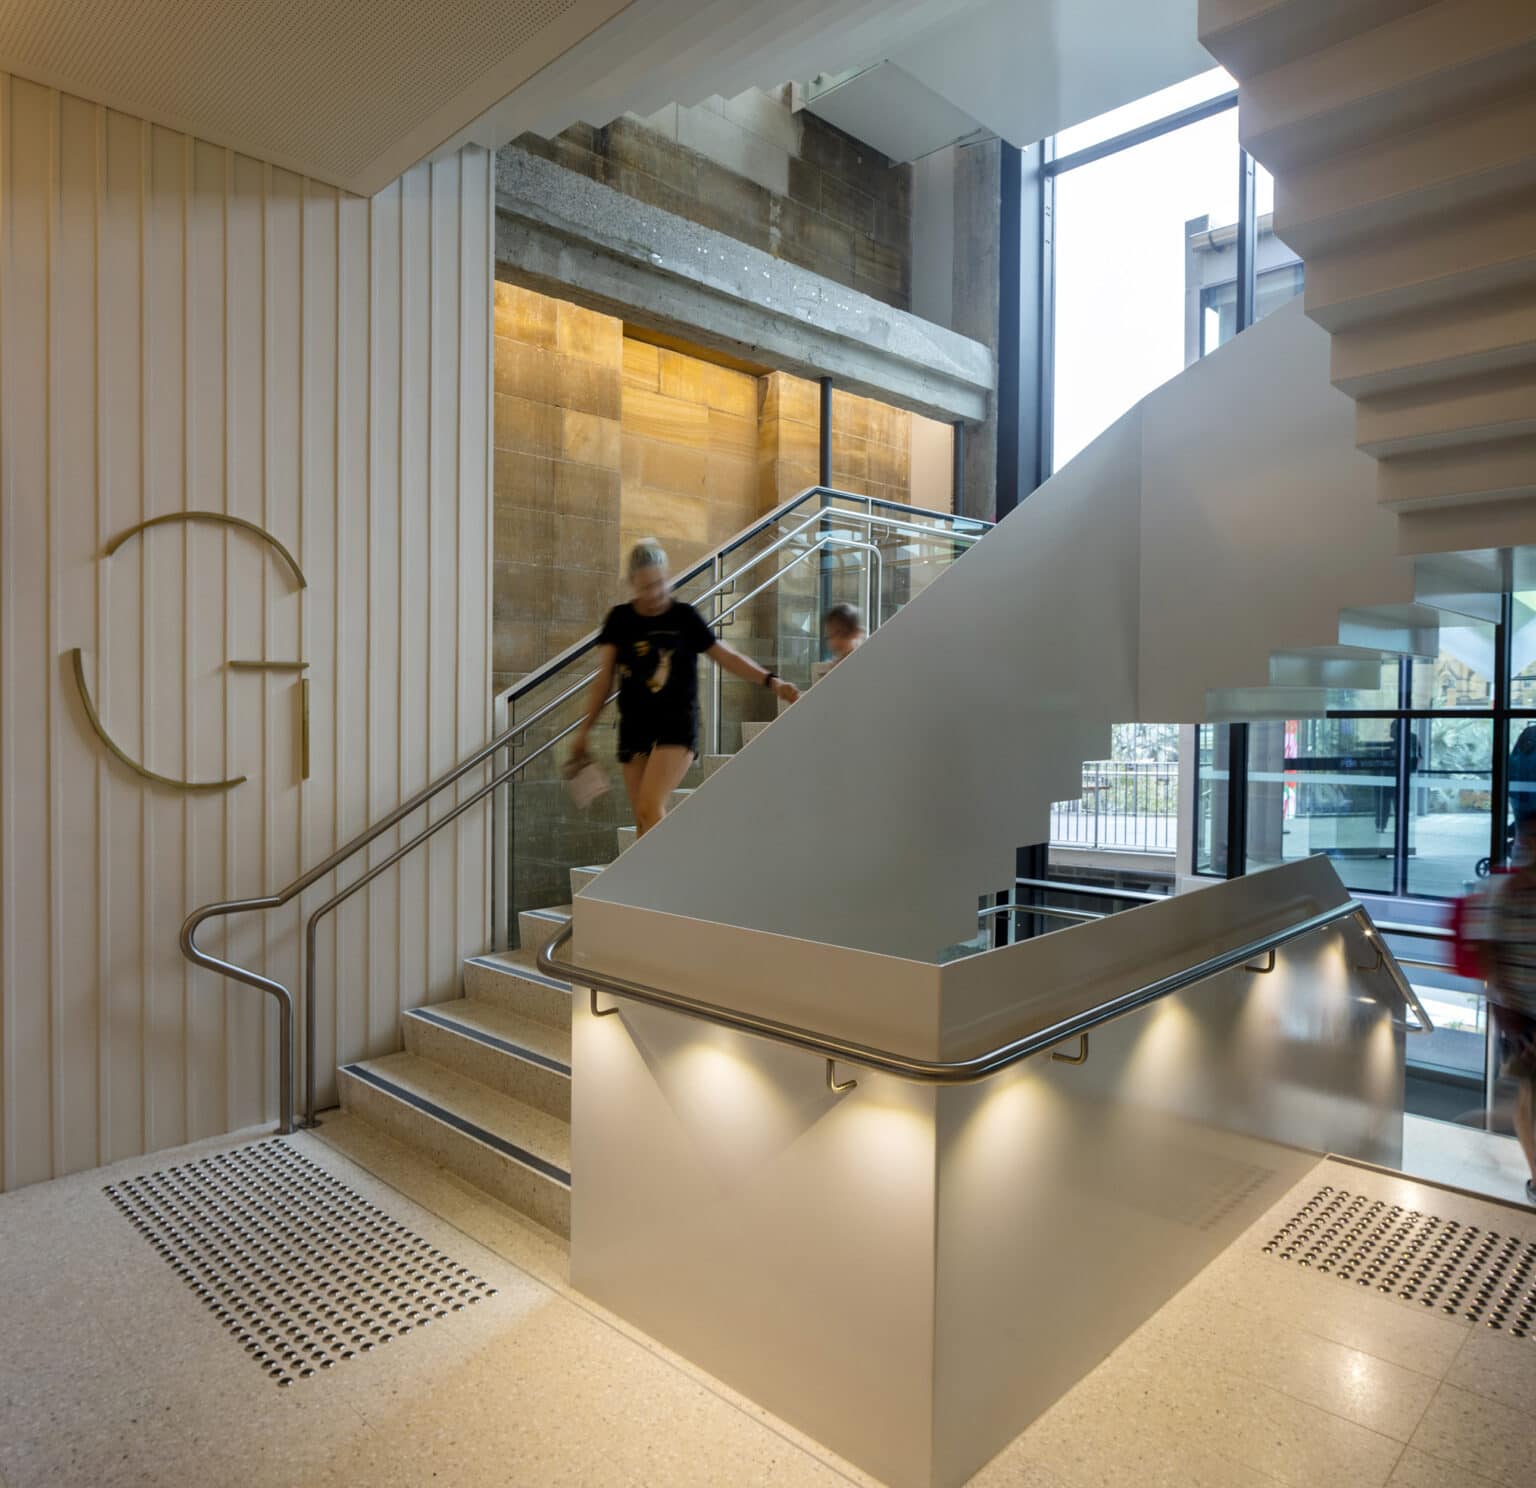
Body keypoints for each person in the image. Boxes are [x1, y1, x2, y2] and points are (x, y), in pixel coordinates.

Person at [568, 541, 800, 837]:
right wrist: (584, 730)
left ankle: (676, 866)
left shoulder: (684, 617)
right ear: (632, 584)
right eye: (646, 587)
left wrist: (771, 681)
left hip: (676, 725)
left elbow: (726, 656)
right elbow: (604, 681)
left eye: (659, 584)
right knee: (642, 819)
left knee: (650, 808)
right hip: (635, 726)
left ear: (668, 577)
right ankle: (653, 869)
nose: (654, 594)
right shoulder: (620, 619)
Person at [1465, 805, 1536, 1205]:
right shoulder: (1501, 892)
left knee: (1529, 1096)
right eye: (1528, 839)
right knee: (1531, 1097)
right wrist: (1509, 1016)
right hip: (1521, 1016)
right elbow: (1487, 954)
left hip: (1520, 1014)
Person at [823, 603, 866, 667]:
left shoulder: (863, 663)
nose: (836, 641)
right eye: (830, 636)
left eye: (840, 633)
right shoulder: (834, 666)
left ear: (856, 633)